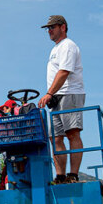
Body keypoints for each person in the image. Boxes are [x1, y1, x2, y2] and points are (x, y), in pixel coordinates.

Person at [36, 15, 85, 184]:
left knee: (72, 133)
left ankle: (73, 174)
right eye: (47, 29)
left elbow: (64, 71)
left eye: (52, 27)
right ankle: (60, 176)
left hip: (69, 93)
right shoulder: (56, 49)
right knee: (55, 137)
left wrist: (49, 93)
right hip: (57, 97)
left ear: (62, 27)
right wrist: (51, 95)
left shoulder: (68, 46)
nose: (49, 31)